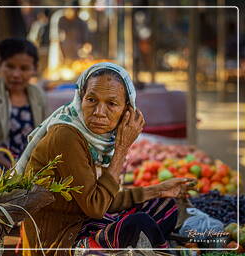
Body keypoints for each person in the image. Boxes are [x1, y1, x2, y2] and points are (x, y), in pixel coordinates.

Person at [17, 62, 196, 255]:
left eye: (111, 104)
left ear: (127, 110)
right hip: (58, 240)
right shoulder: (66, 135)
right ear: (80, 98)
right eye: (91, 100)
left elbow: (101, 200)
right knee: (140, 224)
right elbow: (96, 207)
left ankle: (141, 244)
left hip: (85, 220)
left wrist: (158, 191)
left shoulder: (97, 142)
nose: (99, 112)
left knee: (165, 207)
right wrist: (122, 149)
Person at [0, 38, 48, 171]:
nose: (16, 74)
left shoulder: (38, 95)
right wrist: (13, 168)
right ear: (0, 65)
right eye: (10, 66)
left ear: (34, 69)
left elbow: (47, 136)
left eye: (24, 68)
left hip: (32, 167)